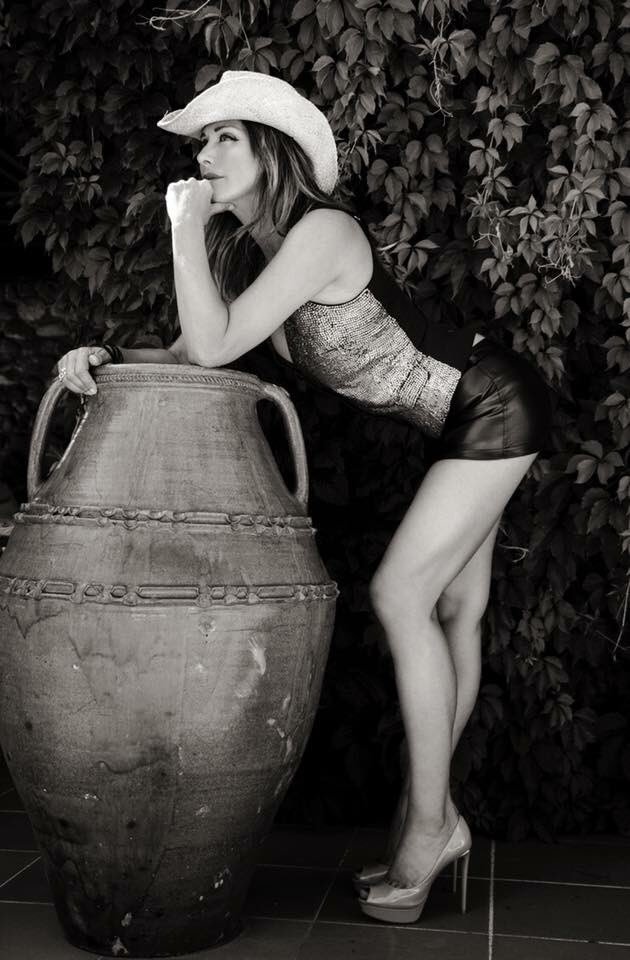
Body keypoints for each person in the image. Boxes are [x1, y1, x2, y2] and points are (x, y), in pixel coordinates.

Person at [55, 70, 553, 925]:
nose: (204, 156)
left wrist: (182, 229)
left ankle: (430, 827)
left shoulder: (322, 232)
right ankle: (426, 819)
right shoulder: (255, 256)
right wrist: (98, 357)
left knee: (400, 596)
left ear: (271, 153)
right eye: (202, 142)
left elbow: (215, 347)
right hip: (454, 420)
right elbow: (193, 351)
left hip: (494, 401)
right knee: (452, 613)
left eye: (225, 138)